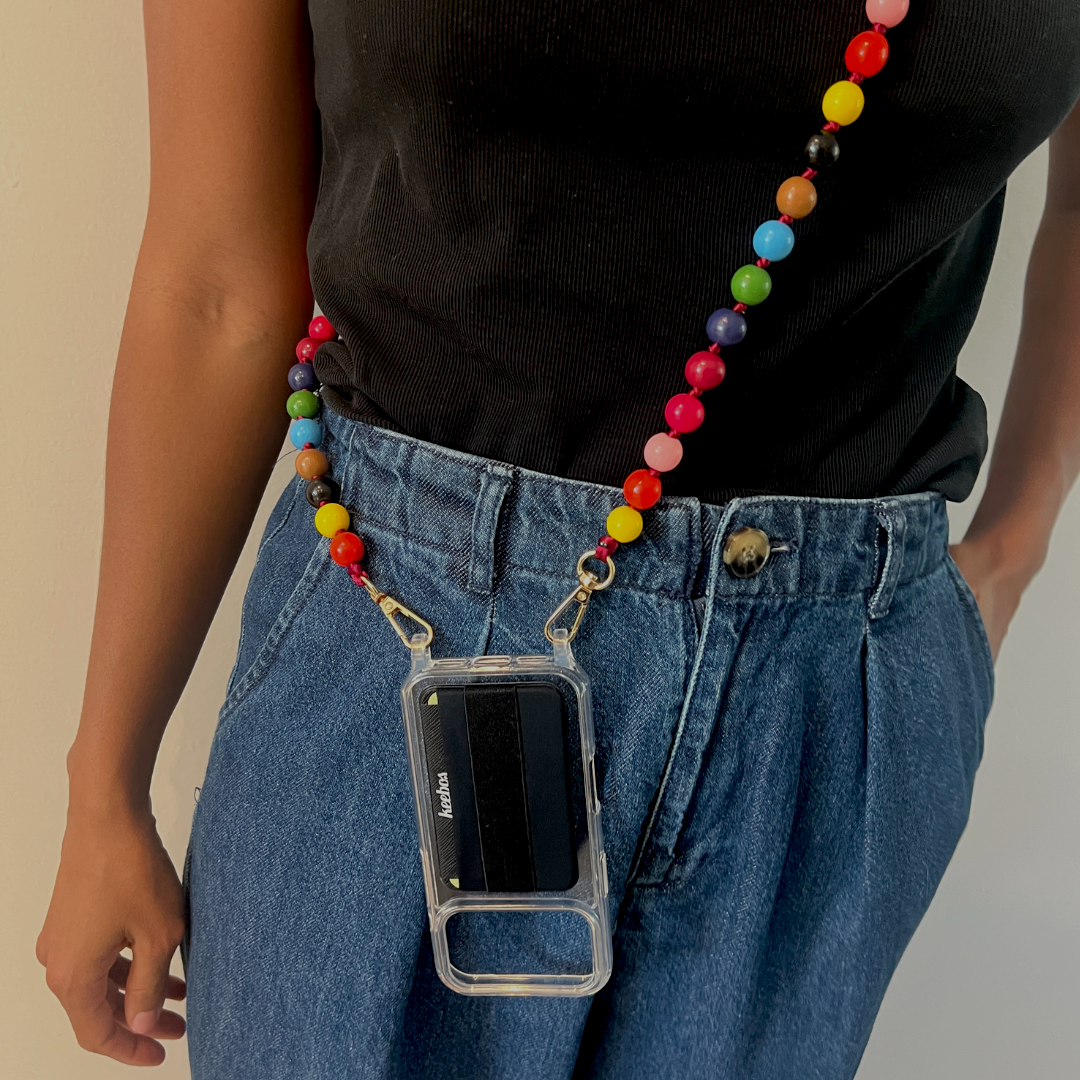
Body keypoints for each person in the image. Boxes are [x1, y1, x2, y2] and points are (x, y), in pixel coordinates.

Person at [36, 0, 1080, 1076]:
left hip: (833, 706)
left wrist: (1015, 549)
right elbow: (216, 284)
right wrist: (104, 780)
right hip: (392, 645)